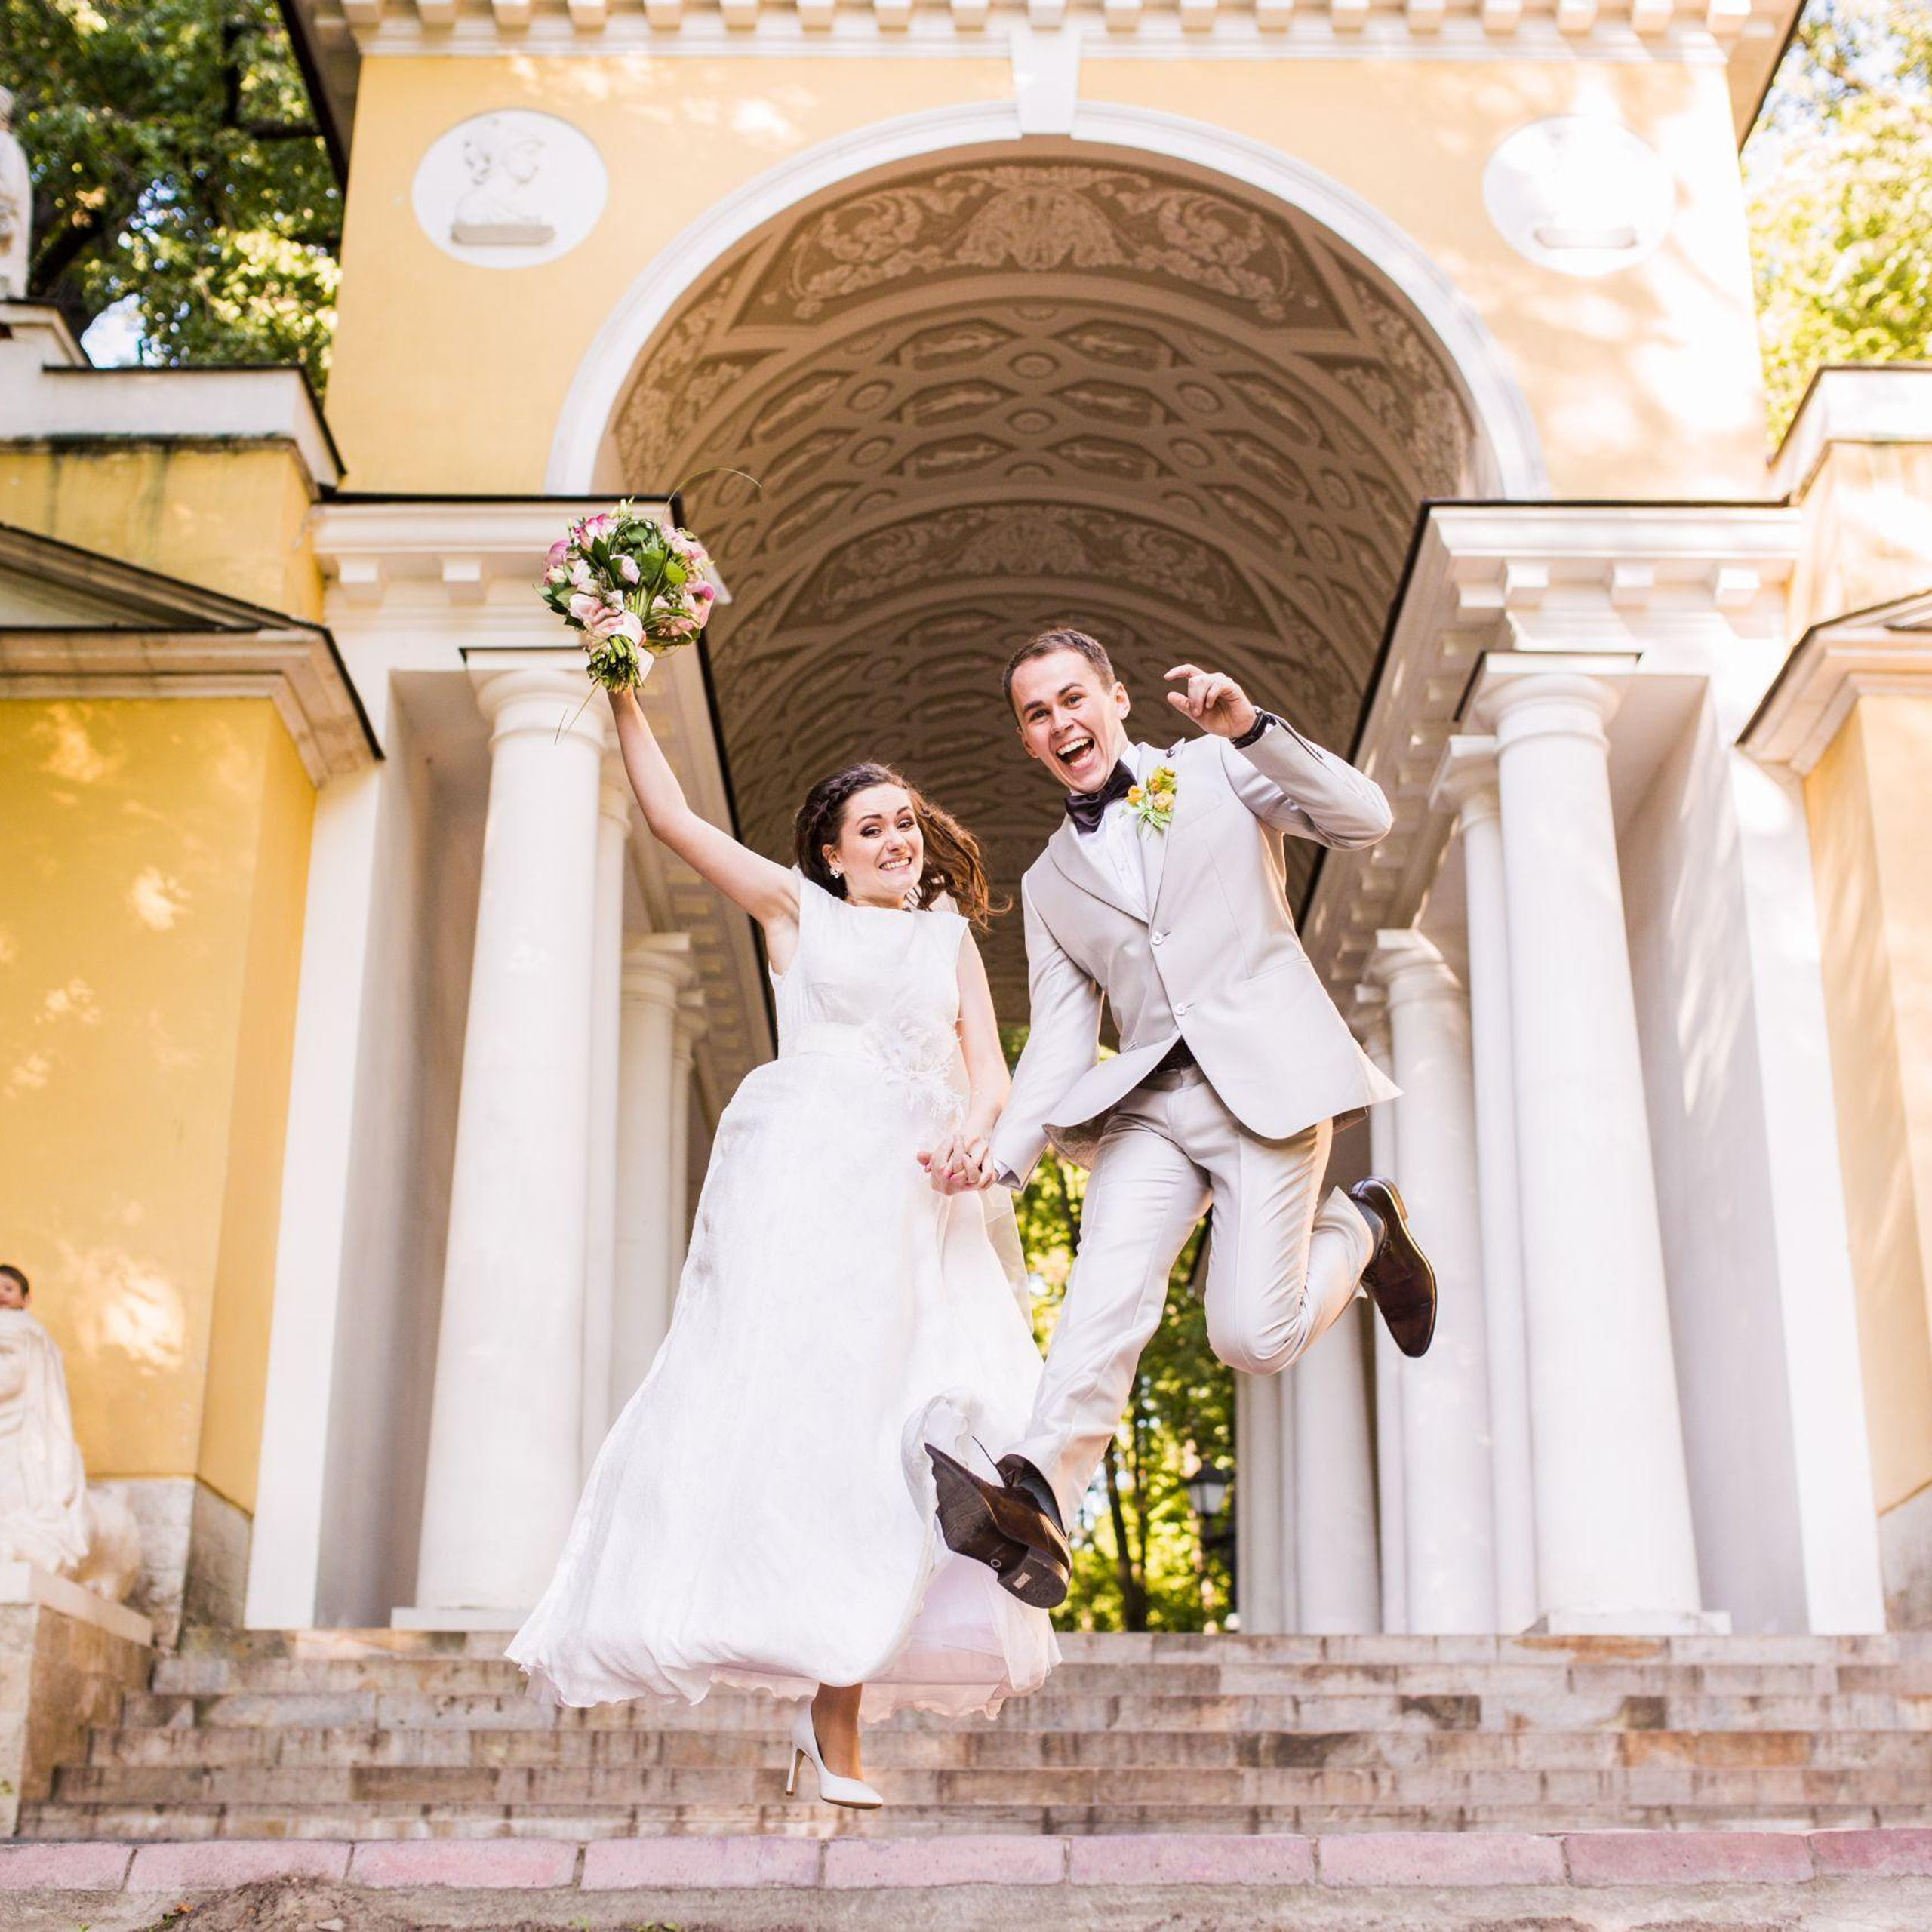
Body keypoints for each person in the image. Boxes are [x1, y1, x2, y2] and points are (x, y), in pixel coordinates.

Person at [507, 671, 1057, 1811]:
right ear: (832, 856)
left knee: (912, 1427)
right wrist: (624, 691)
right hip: (808, 1198)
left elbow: (992, 1076)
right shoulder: (799, 914)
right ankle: (824, 1714)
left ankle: (849, 1695)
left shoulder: (947, 940)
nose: (899, 840)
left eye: (906, 822)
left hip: (919, 1205)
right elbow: (673, 819)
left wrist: (974, 1138)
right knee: (816, 1428)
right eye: (873, 829)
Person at [924, 628, 1438, 1610]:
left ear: (1116, 700)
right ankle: (1038, 1497)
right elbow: (1062, 1042)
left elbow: (1365, 818)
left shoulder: (1218, 767)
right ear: (1026, 741)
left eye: (1073, 699)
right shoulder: (1048, 884)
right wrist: (1002, 1159)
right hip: (1150, 1104)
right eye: (1037, 714)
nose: (1060, 723)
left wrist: (1250, 729)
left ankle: (1364, 1229)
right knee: (1103, 1293)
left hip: (1268, 1083)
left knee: (1252, 1338)